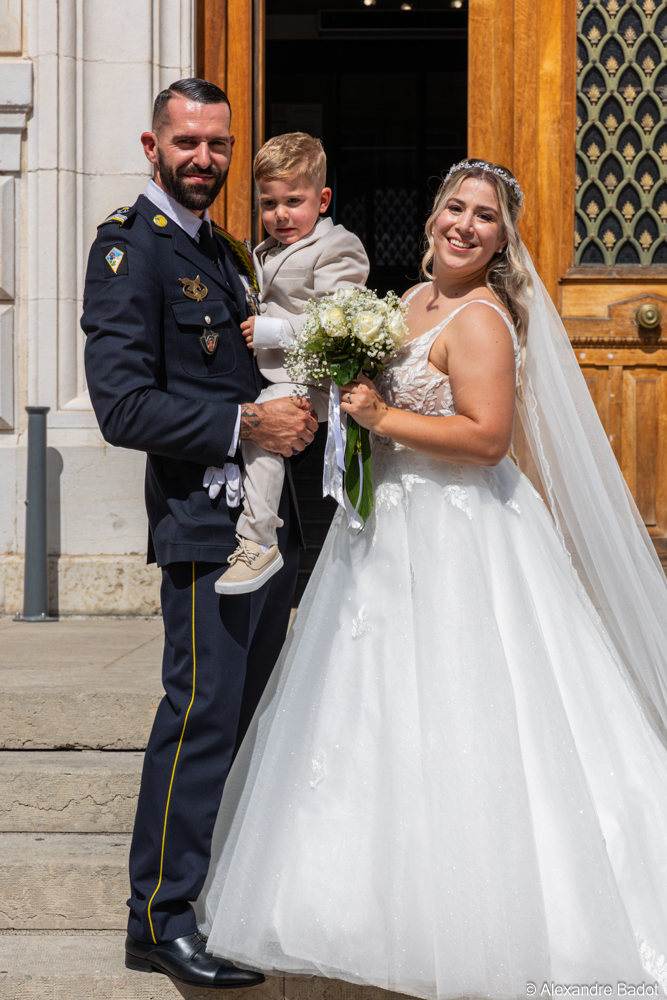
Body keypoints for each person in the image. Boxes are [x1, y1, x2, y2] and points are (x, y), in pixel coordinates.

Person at [199, 160, 667, 998]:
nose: (464, 225)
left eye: (485, 217)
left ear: (503, 240)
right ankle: (362, 911)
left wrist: (382, 415)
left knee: (463, 707)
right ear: (431, 216)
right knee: (370, 708)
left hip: (459, 534)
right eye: (455, 207)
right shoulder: (409, 301)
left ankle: (483, 916)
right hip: (384, 532)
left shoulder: (482, 319)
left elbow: (486, 439)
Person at [81, 78, 317, 989]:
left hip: (267, 524)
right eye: (187, 142)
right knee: (201, 718)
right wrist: (244, 425)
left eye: (218, 144)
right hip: (201, 525)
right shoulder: (128, 250)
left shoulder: (219, 248)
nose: (204, 159)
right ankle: (161, 918)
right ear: (153, 146)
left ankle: (217, 900)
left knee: (246, 718)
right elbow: (121, 405)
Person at [213, 132, 369, 596]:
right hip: (271, 375)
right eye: (269, 203)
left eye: (293, 202)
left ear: (323, 200)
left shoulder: (338, 245)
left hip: (312, 380)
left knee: (263, 429)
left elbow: (341, 323)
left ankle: (258, 539)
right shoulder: (264, 250)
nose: (280, 214)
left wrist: (271, 331)